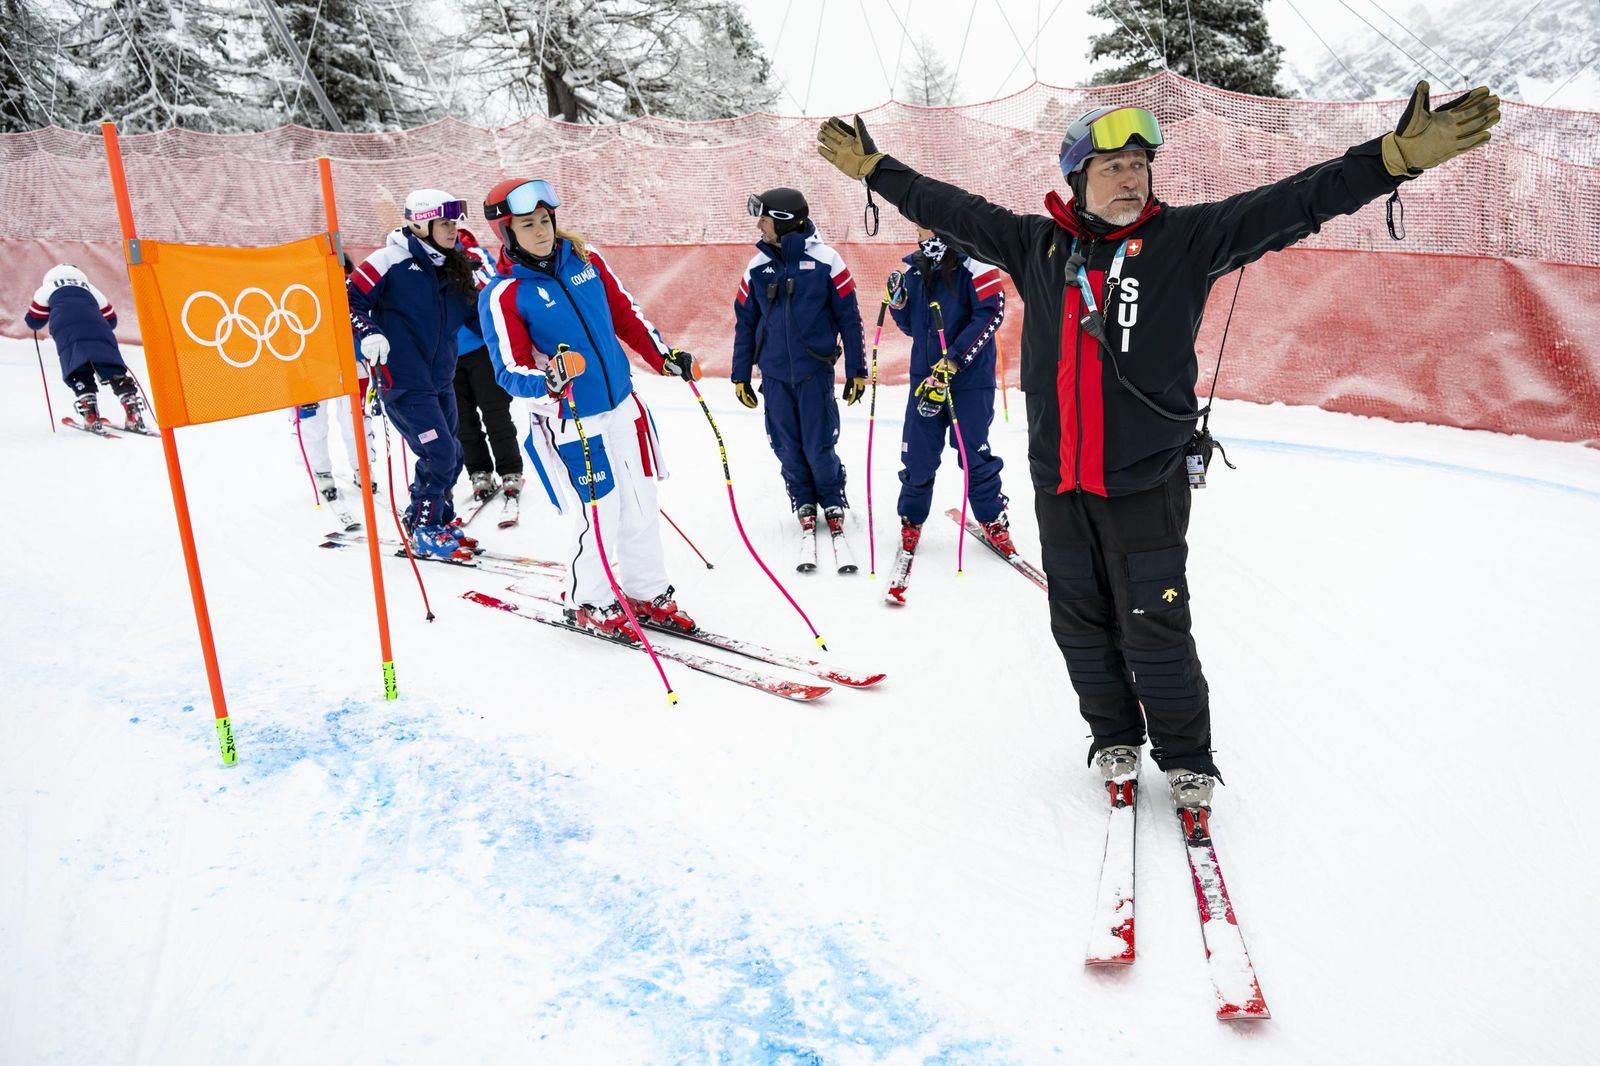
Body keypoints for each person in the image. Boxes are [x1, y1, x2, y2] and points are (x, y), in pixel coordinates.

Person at [819, 82, 1501, 808]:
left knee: (1156, 628)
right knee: (1079, 622)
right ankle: (1113, 734)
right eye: (1112, 166)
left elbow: (1298, 200)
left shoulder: (1187, 241)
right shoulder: (1036, 245)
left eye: (1140, 164)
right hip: (1060, 483)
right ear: (1077, 178)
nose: (1130, 176)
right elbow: (948, 206)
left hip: (1145, 484)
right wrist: (876, 171)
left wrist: (1392, 160)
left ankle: (1185, 756)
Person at [477, 177, 698, 642]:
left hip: (622, 404)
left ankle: (646, 590)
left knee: (639, 504)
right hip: (573, 418)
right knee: (600, 510)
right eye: (527, 225)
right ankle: (588, 600)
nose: (540, 231)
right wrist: (550, 382)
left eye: (544, 220)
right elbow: (509, 370)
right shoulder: (503, 294)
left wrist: (663, 356)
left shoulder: (586, 260)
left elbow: (625, 315)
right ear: (506, 232)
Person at [347, 188, 480, 560]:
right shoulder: (388, 260)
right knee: (438, 454)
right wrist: (369, 332)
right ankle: (423, 529)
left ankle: (438, 518)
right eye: (445, 223)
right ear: (421, 225)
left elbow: (482, 316)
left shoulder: (457, 266)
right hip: (403, 380)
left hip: (440, 378)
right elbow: (347, 299)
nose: (453, 230)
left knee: (452, 452)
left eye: (455, 222)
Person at [730, 188, 867, 548]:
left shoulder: (827, 261)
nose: (759, 225)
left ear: (786, 221)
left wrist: (857, 370)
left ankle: (832, 496)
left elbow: (849, 319)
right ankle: (802, 497)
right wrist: (740, 374)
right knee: (786, 446)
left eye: (765, 218)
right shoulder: (757, 267)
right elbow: (745, 322)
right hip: (773, 376)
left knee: (819, 445)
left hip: (814, 374)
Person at [887, 224, 1009, 560]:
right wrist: (899, 306)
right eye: (914, 226)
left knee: (973, 452)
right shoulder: (915, 270)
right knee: (918, 455)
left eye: (923, 226)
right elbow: (914, 327)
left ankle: (992, 517)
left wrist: (953, 361)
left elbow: (992, 313)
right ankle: (911, 518)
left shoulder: (977, 263)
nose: (918, 233)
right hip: (926, 380)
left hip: (968, 380)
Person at [24, 264, 147, 433]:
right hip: (98, 327)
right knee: (111, 366)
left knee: (77, 367)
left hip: (67, 331)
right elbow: (111, 320)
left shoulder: (47, 288)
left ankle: (90, 415)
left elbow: (34, 321)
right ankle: (133, 412)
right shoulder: (90, 288)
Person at [453, 227, 524, 502]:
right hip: (447, 357)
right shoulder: (421, 264)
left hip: (482, 350)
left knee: (495, 413)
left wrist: (466, 277)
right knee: (462, 420)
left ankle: (510, 470)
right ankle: (479, 471)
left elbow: (494, 288)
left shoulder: (472, 254)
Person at [297, 252, 375, 504]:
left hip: (354, 364)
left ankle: (362, 468)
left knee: (355, 420)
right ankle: (321, 473)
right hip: (316, 366)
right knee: (313, 423)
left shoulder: (353, 292)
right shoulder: (304, 296)